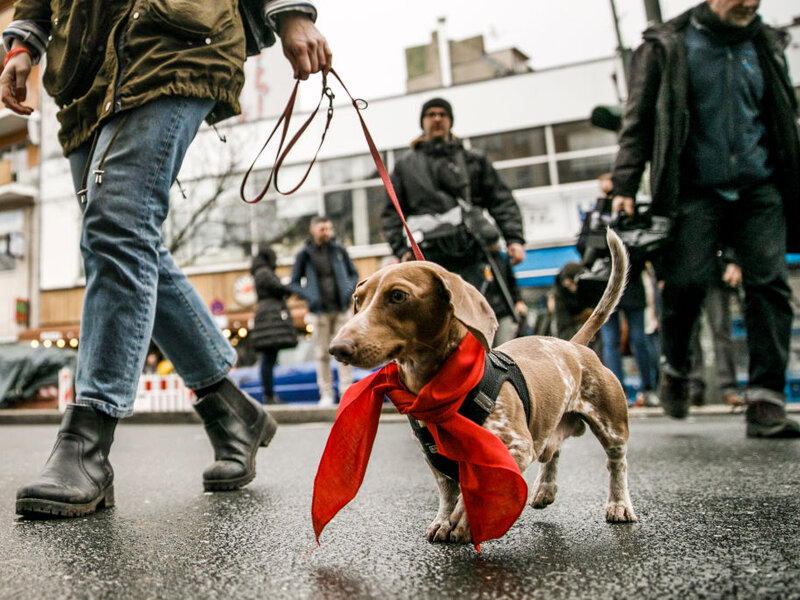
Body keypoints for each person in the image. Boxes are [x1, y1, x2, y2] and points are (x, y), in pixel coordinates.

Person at [2, 1, 332, 517]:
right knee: (125, 241)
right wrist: (25, 43)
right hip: (86, 72)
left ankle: (87, 440)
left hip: (176, 40)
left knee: (118, 228)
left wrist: (288, 12)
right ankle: (231, 410)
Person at [610, 0, 799, 437]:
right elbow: (637, 119)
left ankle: (767, 401)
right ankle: (676, 367)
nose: (750, 4)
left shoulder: (765, 44)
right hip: (692, 189)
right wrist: (624, 184)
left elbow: (782, 118)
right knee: (686, 283)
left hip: (759, 186)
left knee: (769, 286)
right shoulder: (670, 44)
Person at [380, 97, 526, 300]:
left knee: (476, 312)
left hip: (472, 254)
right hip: (427, 258)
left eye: (443, 114)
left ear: (450, 120)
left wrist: (514, 239)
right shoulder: (405, 166)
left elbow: (500, 200)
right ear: (423, 121)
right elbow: (391, 213)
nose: (437, 119)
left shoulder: (472, 160)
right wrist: (400, 250)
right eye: (431, 115)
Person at [290, 216, 359, 406]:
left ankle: (346, 390)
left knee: (345, 351)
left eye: (329, 229)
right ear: (313, 230)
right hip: (319, 311)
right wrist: (310, 296)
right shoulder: (304, 254)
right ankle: (326, 393)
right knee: (321, 354)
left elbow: (353, 273)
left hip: (341, 309)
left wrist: (347, 292)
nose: (327, 232)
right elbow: (294, 283)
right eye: (322, 229)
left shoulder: (339, 250)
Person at [688, 258, 745, 408]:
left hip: (715, 268)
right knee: (690, 333)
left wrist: (732, 260)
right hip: (687, 268)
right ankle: (694, 388)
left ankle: (728, 389)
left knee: (721, 330)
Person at [250, 243, 297, 405]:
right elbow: (279, 288)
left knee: (269, 359)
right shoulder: (264, 272)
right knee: (268, 359)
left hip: (266, 317)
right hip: (270, 317)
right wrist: (289, 286)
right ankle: (269, 395)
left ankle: (269, 394)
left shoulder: (259, 272)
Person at [480, 249, 528, 346]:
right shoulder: (472, 258)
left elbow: (512, 282)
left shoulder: (502, 257)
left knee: (505, 346)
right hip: (482, 314)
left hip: (503, 311)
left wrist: (519, 301)